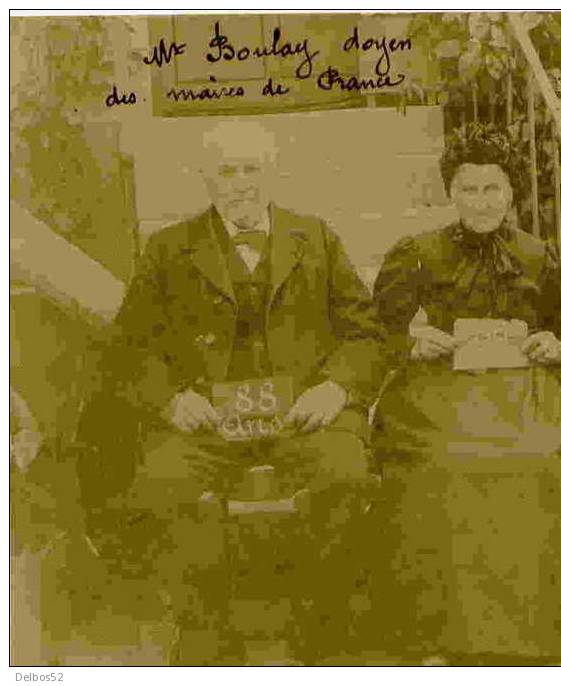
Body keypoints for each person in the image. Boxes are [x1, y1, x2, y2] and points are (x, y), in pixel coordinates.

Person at [78, 120, 384, 664]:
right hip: (209, 421)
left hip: (301, 414)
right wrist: (172, 398)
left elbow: (366, 334)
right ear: (205, 178)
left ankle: (324, 619)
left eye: (250, 169)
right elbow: (128, 348)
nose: (240, 182)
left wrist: (335, 389)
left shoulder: (315, 237)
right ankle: (206, 624)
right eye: (226, 170)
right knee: (162, 480)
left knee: (345, 471)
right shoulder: (169, 249)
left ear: (271, 173)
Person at [370, 124, 561, 664]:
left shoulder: (534, 254)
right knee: (446, 466)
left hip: (522, 390)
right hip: (443, 391)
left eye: (493, 190)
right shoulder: (417, 252)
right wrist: (412, 340)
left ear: (510, 194)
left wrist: (559, 345)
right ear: (450, 193)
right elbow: (373, 331)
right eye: (469, 189)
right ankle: (450, 632)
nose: (482, 202)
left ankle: (544, 628)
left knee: (549, 465)